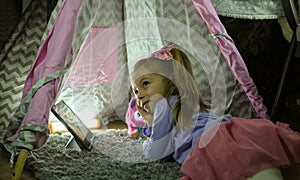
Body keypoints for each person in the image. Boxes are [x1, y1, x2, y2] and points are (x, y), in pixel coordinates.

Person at [129, 44, 300, 180]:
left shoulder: (163, 105)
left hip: (212, 144)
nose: (139, 95)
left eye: (145, 84)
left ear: (170, 80)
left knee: (248, 167)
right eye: (135, 91)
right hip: (233, 130)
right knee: (259, 162)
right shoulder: (187, 104)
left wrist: (149, 133)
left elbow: (157, 153)